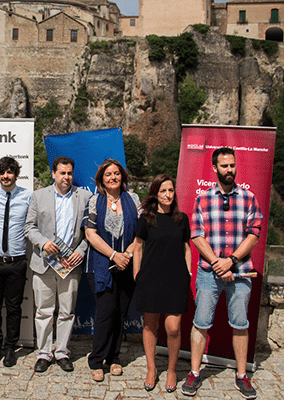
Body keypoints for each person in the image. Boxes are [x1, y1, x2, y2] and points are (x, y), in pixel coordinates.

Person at [181, 147, 262, 399]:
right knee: (200, 323)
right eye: (224, 166)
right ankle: (194, 373)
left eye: (232, 165)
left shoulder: (249, 198)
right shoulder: (202, 199)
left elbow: (254, 232)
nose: (230, 170)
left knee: (240, 324)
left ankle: (241, 375)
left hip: (240, 274)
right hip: (208, 272)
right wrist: (218, 262)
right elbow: (196, 235)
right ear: (215, 168)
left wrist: (232, 261)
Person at [25, 156, 91, 373]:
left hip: (70, 264)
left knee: (67, 311)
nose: (66, 177)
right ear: (53, 173)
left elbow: (90, 231)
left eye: (69, 173)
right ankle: (44, 353)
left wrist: (80, 252)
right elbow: (29, 227)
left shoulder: (85, 197)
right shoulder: (38, 195)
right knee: (43, 311)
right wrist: (43, 243)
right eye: (62, 173)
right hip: (44, 262)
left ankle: (61, 351)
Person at [131, 174, 191, 392]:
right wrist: (137, 273)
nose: (167, 194)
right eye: (163, 190)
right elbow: (137, 247)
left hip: (175, 278)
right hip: (150, 278)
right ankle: (151, 368)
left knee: (173, 328)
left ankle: (172, 370)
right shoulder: (147, 219)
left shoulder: (182, 219)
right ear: (155, 194)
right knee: (150, 325)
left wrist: (189, 272)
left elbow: (186, 248)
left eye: (171, 190)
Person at [82, 159, 138, 382]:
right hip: (100, 266)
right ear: (101, 180)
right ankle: (96, 360)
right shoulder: (95, 201)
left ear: (122, 177)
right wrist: (114, 255)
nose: (113, 177)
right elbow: (90, 234)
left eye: (116, 174)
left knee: (120, 314)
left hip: (128, 264)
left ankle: (113, 358)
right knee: (105, 313)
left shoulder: (133, 200)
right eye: (108, 174)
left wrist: (128, 255)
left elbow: (141, 233)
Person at [0, 157, 32, 367]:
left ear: (16, 174)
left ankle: (11, 348)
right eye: (2, 172)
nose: (6, 176)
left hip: (17, 262)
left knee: (14, 308)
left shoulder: (28, 197)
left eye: (10, 172)